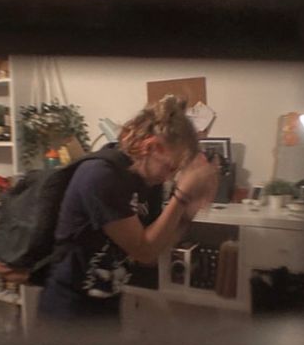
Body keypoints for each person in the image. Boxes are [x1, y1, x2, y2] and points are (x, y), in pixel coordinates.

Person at [38, 95, 219, 331]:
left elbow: (154, 252)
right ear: (150, 147)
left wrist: (186, 213)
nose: (170, 176)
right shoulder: (101, 175)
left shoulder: (147, 181)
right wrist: (181, 196)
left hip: (106, 306)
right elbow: (143, 251)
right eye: (171, 167)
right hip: (67, 312)